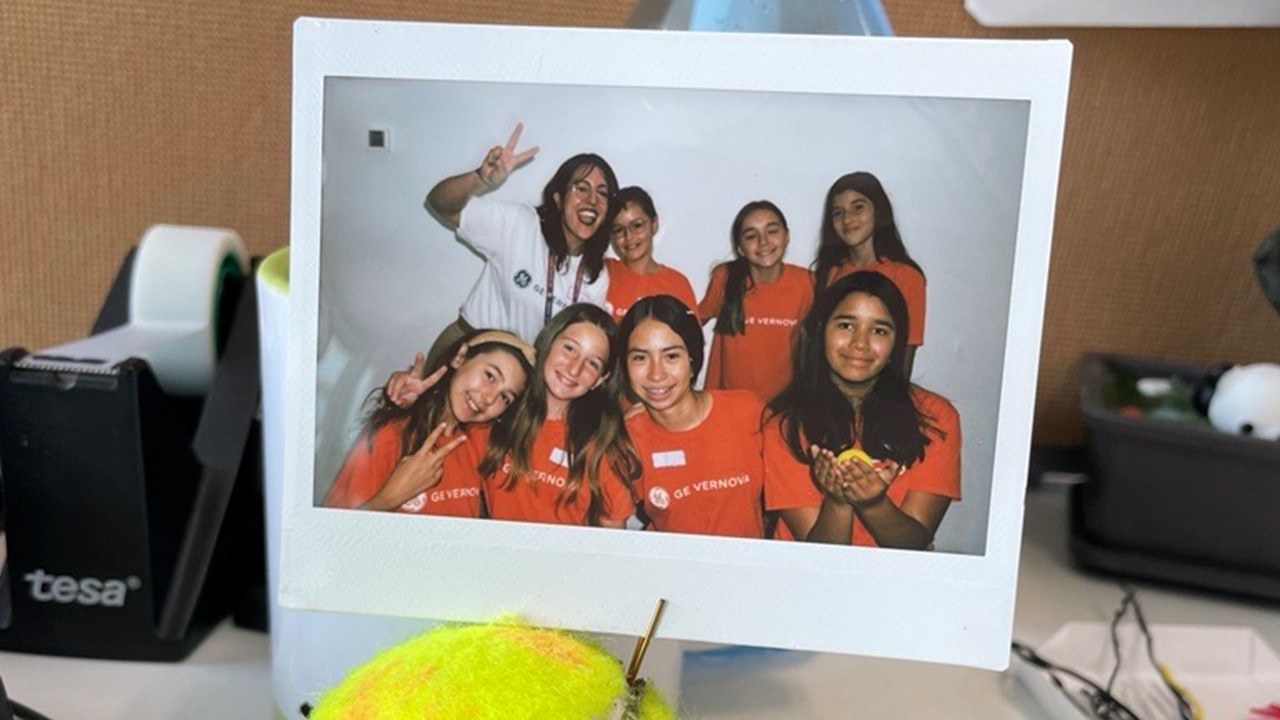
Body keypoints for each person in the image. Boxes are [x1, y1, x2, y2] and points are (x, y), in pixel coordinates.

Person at [763, 272, 961, 549]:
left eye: (879, 330)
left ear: (896, 345)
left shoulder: (936, 417)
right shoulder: (784, 425)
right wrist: (838, 502)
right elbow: (817, 558)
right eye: (846, 325)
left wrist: (874, 505)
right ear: (821, 332)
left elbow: (914, 544)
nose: (860, 343)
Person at [422, 123, 618, 364]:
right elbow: (440, 203)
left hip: (521, 373)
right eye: (581, 188)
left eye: (602, 193)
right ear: (558, 198)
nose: (592, 200)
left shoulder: (596, 275)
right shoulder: (520, 224)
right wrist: (481, 178)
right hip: (468, 351)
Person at [323, 330, 535, 516]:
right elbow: (331, 538)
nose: (489, 398)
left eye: (505, 398)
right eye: (490, 376)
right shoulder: (390, 436)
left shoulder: (481, 442)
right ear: (460, 357)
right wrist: (390, 498)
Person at [622, 294, 775, 539]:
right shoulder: (624, 437)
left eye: (671, 356)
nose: (656, 373)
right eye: (640, 357)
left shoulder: (748, 411)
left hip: (746, 569)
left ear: (693, 362)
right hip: (673, 571)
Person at [478, 304, 640, 528]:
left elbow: (612, 538)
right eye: (570, 349)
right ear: (549, 342)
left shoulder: (602, 444)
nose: (574, 369)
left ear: (601, 379)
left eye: (592, 363)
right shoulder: (500, 408)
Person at [698, 200, 813, 403]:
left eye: (772, 231)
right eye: (751, 236)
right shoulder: (725, 278)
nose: (763, 241)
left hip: (783, 407)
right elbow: (692, 321)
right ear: (740, 248)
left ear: (787, 237)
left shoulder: (807, 283)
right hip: (727, 404)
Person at [812, 172, 926, 377]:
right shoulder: (831, 273)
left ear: (878, 211)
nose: (847, 219)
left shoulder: (907, 276)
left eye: (858, 207)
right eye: (838, 212)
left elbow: (905, 356)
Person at [604, 186, 698, 322]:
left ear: (654, 224)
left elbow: (692, 339)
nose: (629, 237)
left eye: (637, 225)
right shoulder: (603, 273)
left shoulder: (676, 284)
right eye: (619, 230)